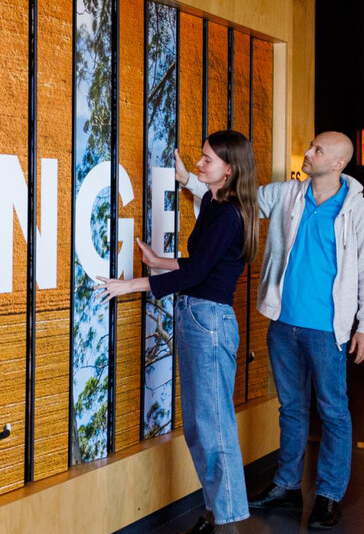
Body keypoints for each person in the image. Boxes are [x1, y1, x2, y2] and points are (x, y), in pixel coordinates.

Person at [175, 131, 364, 530]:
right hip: (284, 323)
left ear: (337, 163)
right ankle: (287, 484)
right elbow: (236, 200)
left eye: (317, 150)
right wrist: (189, 180)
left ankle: (328, 495)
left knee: (333, 411)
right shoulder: (289, 194)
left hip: (329, 330)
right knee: (291, 408)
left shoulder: (358, 210)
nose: (307, 152)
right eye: (310, 146)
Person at [96, 130, 260, 534]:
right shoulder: (217, 205)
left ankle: (229, 522)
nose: (198, 165)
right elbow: (201, 262)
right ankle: (217, 511)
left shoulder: (227, 214)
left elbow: (200, 272)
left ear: (229, 169)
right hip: (198, 316)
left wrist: (131, 285)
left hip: (210, 323)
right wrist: (161, 260)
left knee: (214, 426)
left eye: (206, 160)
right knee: (200, 426)